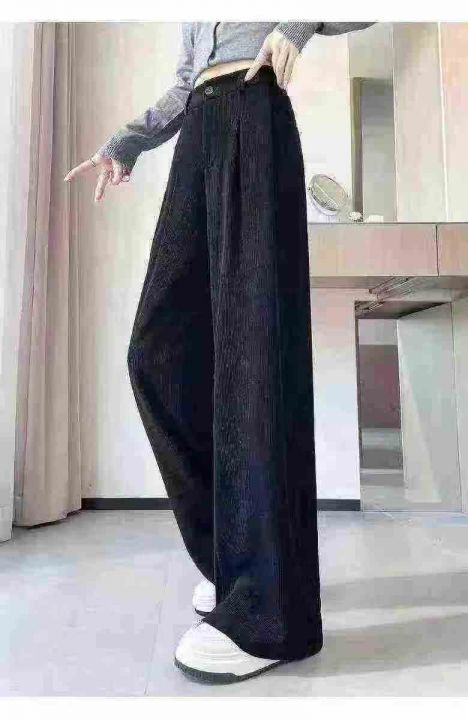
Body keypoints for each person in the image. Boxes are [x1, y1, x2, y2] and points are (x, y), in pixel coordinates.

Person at [64, 21, 376, 684]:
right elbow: (186, 83)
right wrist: (127, 140)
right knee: (156, 351)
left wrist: (298, 22)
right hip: (200, 133)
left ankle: (269, 618)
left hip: (255, 117)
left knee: (254, 360)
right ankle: (238, 565)